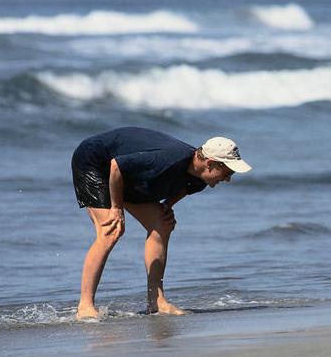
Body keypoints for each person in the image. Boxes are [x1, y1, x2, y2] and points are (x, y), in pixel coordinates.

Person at [70, 127, 251, 319]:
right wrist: (116, 208)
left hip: (126, 177)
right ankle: (85, 306)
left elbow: (184, 189)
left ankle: (156, 301)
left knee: (162, 223)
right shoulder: (169, 159)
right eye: (227, 173)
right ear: (210, 164)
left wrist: (167, 206)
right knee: (111, 230)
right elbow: (117, 166)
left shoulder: (200, 177)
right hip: (95, 162)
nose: (228, 179)